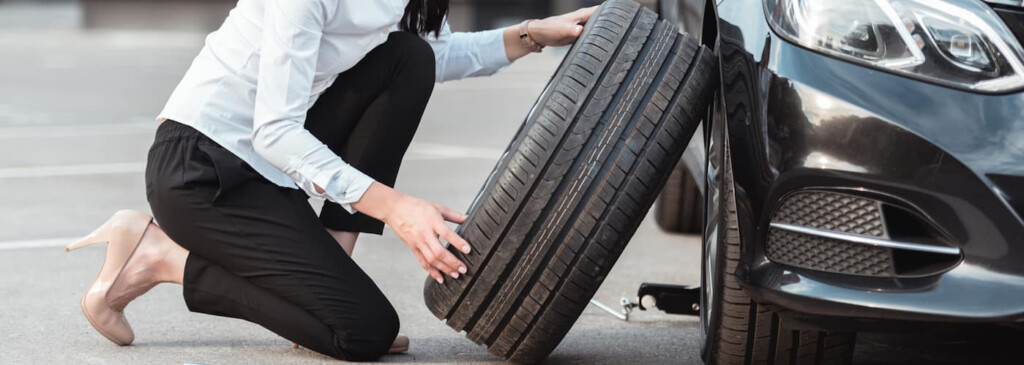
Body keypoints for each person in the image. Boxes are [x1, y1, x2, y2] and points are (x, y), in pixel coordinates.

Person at [65, 0, 595, 361]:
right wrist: (395, 207)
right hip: (204, 171)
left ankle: (328, 267)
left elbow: (432, 55)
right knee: (364, 333)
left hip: (269, 168)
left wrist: (530, 35)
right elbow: (273, 130)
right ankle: (159, 256)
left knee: (407, 58)